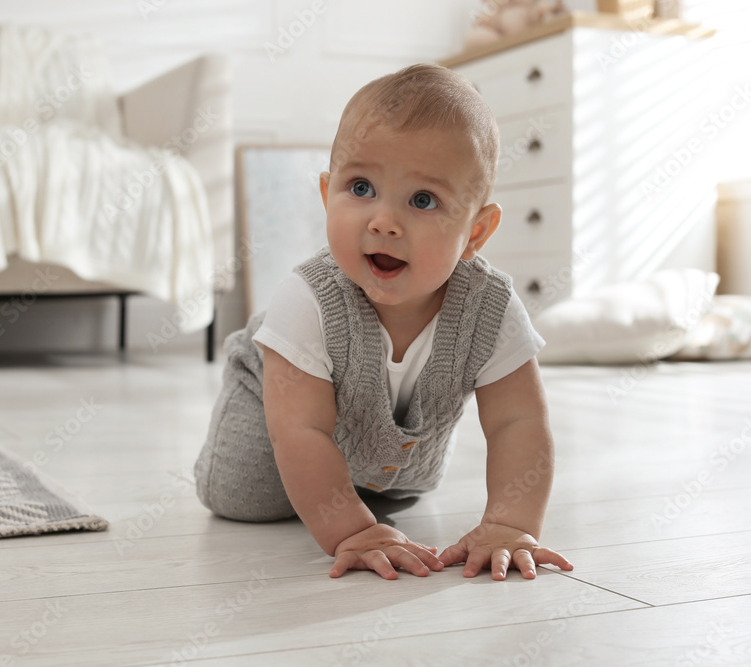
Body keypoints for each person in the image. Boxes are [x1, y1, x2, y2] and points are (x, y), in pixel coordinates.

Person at [194, 63, 573, 581]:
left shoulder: (490, 308)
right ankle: (335, 493)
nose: (384, 221)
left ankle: (350, 485)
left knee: (399, 490)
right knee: (248, 497)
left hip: (388, 459)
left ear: (476, 232)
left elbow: (519, 422)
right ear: (326, 194)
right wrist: (351, 530)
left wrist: (510, 524)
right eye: (361, 188)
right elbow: (301, 429)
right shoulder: (308, 300)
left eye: (423, 200)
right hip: (271, 411)